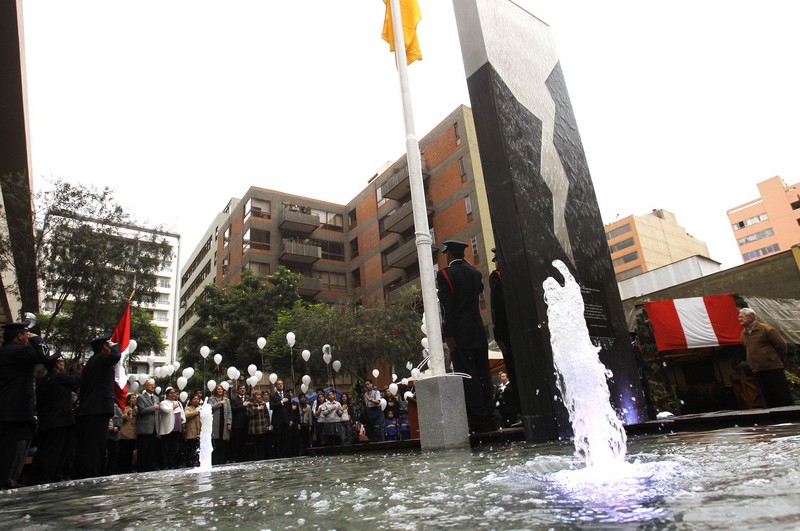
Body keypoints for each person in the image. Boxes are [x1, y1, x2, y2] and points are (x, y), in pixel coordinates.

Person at [436, 239, 496, 433]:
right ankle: (490, 415)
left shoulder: (445, 274)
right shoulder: (475, 273)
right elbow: (477, 290)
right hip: (478, 330)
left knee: (467, 375)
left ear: (449, 254)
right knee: (483, 373)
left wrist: (448, 333)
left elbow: (447, 308)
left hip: (460, 333)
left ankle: (477, 421)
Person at [0, 319, 55, 488]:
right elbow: (44, 356)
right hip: (14, 409)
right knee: (11, 448)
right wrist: (38, 339)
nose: (27, 336)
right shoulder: (17, 351)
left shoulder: (7, 351)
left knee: (14, 446)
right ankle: (6, 480)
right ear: (19, 337)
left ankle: (9, 479)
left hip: (11, 408)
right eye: (25, 334)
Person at [76, 334, 122, 479]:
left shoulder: (93, 361)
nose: (110, 347)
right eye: (108, 345)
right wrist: (116, 345)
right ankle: (92, 476)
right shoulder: (100, 359)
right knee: (95, 447)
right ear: (104, 347)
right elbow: (116, 357)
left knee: (95, 445)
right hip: (96, 409)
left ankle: (93, 473)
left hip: (92, 409)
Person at [32, 354, 80, 484]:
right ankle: (52, 476)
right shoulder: (60, 376)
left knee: (47, 450)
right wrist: (77, 371)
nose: (62, 364)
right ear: (57, 365)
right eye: (61, 362)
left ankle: (43, 476)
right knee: (59, 451)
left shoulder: (44, 380)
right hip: (61, 421)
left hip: (48, 422)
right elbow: (76, 380)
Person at [489, 247, 521, 424]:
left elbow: (497, 308)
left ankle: (521, 412)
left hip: (508, 332)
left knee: (514, 371)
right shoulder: (518, 274)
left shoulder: (497, 277)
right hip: (523, 330)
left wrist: (499, 335)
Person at [738, 308, 793, 408]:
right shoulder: (743, 334)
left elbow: (781, 346)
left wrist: (775, 360)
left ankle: (790, 416)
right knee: (766, 396)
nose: (739, 319)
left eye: (742, 316)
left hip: (773, 367)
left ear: (750, 317)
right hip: (757, 369)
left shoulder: (766, 329)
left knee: (781, 394)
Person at [157, 387, 186, 469]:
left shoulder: (178, 403)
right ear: (167, 394)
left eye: (174, 393)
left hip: (177, 428)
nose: (173, 394)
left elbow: (182, 413)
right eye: (171, 393)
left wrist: (183, 422)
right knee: (166, 448)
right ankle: (165, 464)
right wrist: (173, 407)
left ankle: (172, 463)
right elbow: (166, 410)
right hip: (167, 429)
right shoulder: (164, 403)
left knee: (175, 448)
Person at [630, 332, 657, 419]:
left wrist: (640, 377)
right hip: (636, 377)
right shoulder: (631, 349)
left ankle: (650, 416)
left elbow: (640, 365)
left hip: (640, 377)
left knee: (645, 398)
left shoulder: (634, 349)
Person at [136, 379, 160, 471]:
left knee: (151, 450)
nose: (153, 387)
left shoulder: (156, 398)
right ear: (146, 386)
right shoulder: (141, 397)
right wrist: (153, 407)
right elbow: (142, 410)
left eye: (154, 385)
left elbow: (157, 414)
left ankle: (149, 467)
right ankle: (141, 468)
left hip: (154, 428)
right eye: (150, 385)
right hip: (144, 428)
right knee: (143, 449)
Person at [209, 384, 231, 465]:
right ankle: (215, 461)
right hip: (215, 423)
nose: (220, 391)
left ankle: (222, 460)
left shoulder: (227, 400)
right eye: (218, 389)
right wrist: (219, 403)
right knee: (216, 442)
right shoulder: (211, 399)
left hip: (224, 423)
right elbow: (210, 408)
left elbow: (229, 412)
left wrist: (229, 422)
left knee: (223, 442)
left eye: (221, 389)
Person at [269, 380, 292, 457]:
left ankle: (286, 453)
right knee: (277, 438)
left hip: (286, 420)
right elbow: (272, 406)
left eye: (281, 384)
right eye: (279, 384)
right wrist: (281, 402)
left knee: (286, 438)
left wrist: (290, 419)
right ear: (276, 386)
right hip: (277, 420)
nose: (280, 385)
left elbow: (289, 408)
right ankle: (278, 454)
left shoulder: (287, 395)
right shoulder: (273, 396)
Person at [229, 384, 252, 462]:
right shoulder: (234, 399)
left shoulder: (249, 399)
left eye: (244, 388)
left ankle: (245, 457)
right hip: (238, 424)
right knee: (237, 442)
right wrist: (242, 405)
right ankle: (237, 458)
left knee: (245, 442)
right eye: (241, 388)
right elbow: (233, 409)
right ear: (238, 390)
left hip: (247, 423)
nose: (242, 389)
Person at [246, 391, 269, 461]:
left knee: (261, 443)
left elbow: (266, 415)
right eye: (257, 395)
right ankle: (255, 457)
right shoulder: (250, 404)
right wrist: (257, 409)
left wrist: (267, 424)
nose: (258, 396)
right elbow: (248, 414)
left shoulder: (263, 404)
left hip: (262, 426)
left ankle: (261, 457)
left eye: (259, 395)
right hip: (254, 427)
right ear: (254, 396)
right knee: (254, 444)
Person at [118, 393, 138, 473]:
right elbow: (121, 419)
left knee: (131, 452)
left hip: (133, 434)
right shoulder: (124, 408)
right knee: (123, 452)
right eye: (132, 398)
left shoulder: (136, 408)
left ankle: (129, 468)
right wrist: (127, 414)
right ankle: (122, 468)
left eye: (135, 398)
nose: (134, 399)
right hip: (125, 434)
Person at [183, 394, 202, 467]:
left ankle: (197, 462)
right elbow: (187, 415)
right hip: (191, 432)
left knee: (198, 449)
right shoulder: (188, 408)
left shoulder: (201, 408)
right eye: (194, 399)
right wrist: (197, 412)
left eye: (197, 399)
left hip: (199, 432)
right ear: (191, 401)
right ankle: (189, 463)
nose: (196, 400)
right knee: (190, 449)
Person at [105, 401, 123, 475]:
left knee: (114, 454)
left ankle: (111, 471)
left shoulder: (116, 408)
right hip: (105, 436)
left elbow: (120, 419)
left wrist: (117, 427)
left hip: (115, 436)